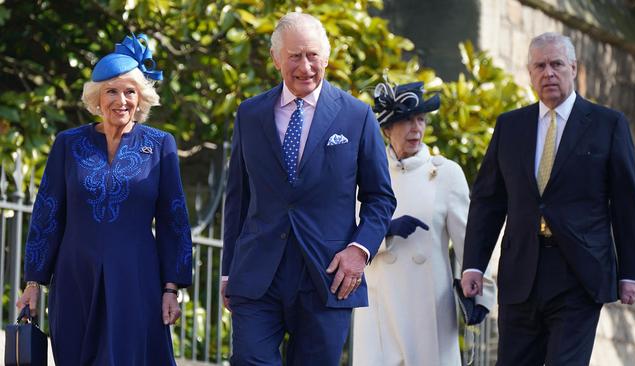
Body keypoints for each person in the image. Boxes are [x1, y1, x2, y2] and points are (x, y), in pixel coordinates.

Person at [461, 32, 635, 365]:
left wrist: (631, 271)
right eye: (540, 66)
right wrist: (474, 263)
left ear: (574, 68)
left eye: (557, 64)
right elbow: (488, 201)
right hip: (521, 273)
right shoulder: (510, 127)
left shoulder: (608, 125)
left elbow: (626, 203)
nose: (549, 73)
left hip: (579, 273)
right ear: (530, 73)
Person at [220, 12, 396, 366]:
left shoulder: (357, 116)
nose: (305, 66)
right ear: (276, 59)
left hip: (327, 276)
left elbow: (380, 198)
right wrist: (228, 270)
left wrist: (359, 251)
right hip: (258, 275)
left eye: (312, 55)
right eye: (294, 56)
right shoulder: (250, 114)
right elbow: (237, 197)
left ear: (326, 57)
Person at [15, 33, 192, 365]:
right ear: (97, 98)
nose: (121, 100)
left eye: (130, 92)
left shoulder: (159, 145)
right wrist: (33, 282)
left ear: (142, 98)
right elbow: (47, 214)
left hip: (136, 279)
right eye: (111, 91)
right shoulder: (68, 144)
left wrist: (172, 288)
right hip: (74, 279)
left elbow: (174, 220)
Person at [352, 82, 496, 366]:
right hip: (379, 300)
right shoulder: (365, 172)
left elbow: (471, 240)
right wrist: (385, 230)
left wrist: (481, 293)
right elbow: (351, 232)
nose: (415, 128)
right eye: (406, 120)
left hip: (428, 303)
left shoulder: (445, 173)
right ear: (387, 129)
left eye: (420, 119)